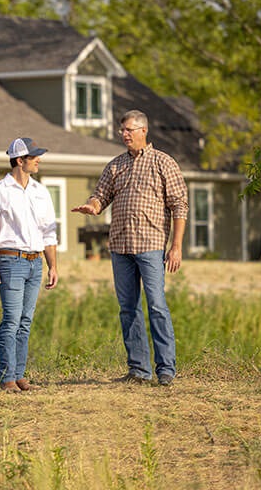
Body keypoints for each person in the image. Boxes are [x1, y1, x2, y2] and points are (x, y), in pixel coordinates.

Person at [72, 110, 188, 386]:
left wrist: (176, 247)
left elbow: (179, 205)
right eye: (122, 130)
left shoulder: (164, 163)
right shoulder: (115, 165)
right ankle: (138, 370)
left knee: (157, 306)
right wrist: (93, 205)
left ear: (143, 131)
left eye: (129, 130)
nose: (124, 134)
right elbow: (101, 195)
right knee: (128, 308)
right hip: (120, 247)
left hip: (150, 246)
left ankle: (166, 370)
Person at [0, 137, 59, 393]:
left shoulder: (40, 191)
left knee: (26, 321)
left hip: (36, 263)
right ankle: (7, 377)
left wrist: (53, 266)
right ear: (19, 160)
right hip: (10, 261)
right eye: (34, 156)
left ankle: (20, 375)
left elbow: (49, 232)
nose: (38, 160)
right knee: (11, 320)